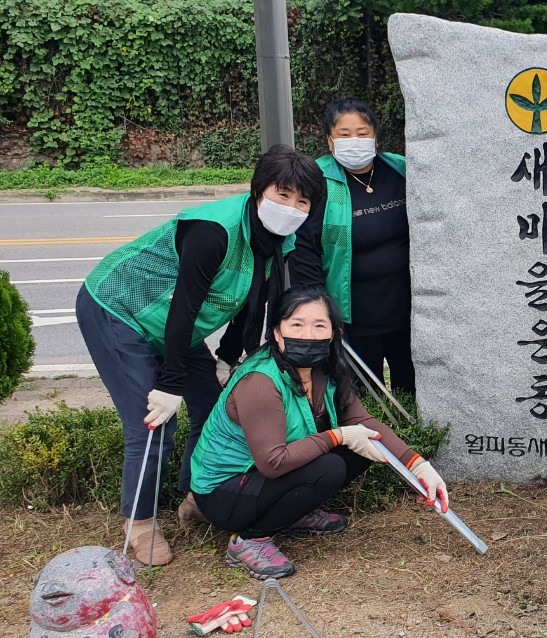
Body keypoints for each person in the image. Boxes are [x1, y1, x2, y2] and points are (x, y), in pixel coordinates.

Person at [77, 145, 324, 566]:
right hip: (119, 311)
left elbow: (254, 300)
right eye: (283, 195)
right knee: (154, 421)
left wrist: (229, 355)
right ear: (258, 190)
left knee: (213, 408)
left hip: (178, 328)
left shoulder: (277, 238)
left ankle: (195, 495)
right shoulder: (214, 231)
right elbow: (185, 306)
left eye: (303, 201)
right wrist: (170, 381)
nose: (292, 208)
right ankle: (139, 523)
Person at [189, 285, 449, 580]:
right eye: (296, 325)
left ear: (334, 333)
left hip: (263, 478)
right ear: (276, 332)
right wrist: (337, 436)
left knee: (364, 446)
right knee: (330, 464)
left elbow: (364, 422)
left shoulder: (325, 371)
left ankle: (295, 512)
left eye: (318, 326)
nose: (307, 335)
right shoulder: (260, 382)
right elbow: (273, 463)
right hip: (225, 491)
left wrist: (418, 464)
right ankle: (249, 541)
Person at [292, 99, 415, 396]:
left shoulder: (401, 170)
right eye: (344, 134)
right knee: (363, 398)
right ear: (330, 141)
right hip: (354, 318)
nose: (354, 141)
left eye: (362, 133)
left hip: (409, 312)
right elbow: (304, 251)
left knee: (412, 393)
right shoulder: (316, 181)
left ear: (375, 137)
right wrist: (321, 312)